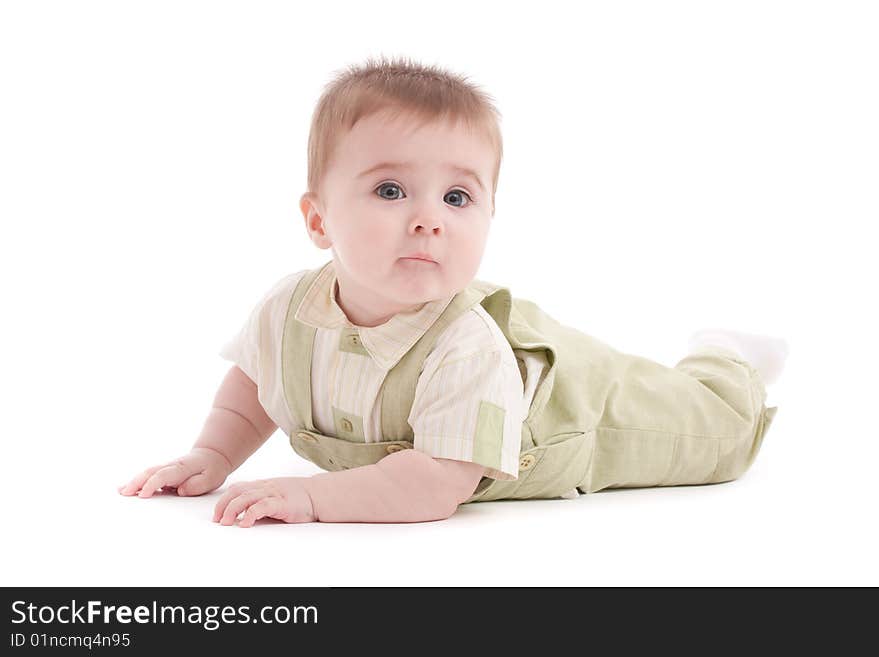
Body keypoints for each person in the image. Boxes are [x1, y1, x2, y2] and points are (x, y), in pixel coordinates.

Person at [119, 55, 788, 526]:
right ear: (318, 219)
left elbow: (435, 484)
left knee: (710, 436)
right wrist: (212, 454)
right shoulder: (288, 309)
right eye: (390, 189)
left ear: (488, 215)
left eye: (458, 196)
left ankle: (725, 360)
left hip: (567, 411)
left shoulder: (466, 349)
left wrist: (312, 497)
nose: (428, 218)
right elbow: (255, 381)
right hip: (506, 359)